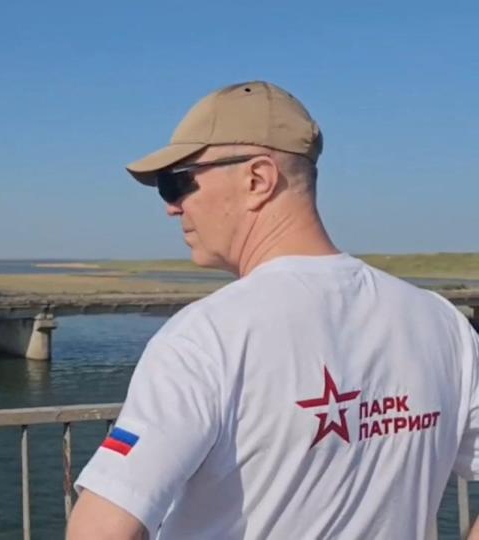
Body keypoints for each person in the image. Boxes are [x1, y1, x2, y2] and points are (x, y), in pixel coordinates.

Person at [65, 81, 479, 539]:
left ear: (257, 179)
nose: (172, 207)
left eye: (178, 182)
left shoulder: (205, 338)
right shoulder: (442, 324)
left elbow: (101, 529)